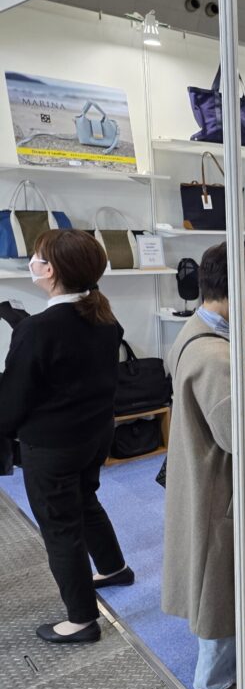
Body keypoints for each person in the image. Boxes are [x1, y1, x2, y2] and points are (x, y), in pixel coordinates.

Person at [0, 230, 131, 644]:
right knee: (85, 501)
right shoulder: (104, 318)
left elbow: (14, 398)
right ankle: (114, 568)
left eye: (37, 257)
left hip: (52, 445)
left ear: (52, 270)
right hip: (94, 434)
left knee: (60, 526)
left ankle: (81, 620)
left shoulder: (39, 329)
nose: (32, 263)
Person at [162, 243, 245, 689]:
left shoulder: (206, 330)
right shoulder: (215, 358)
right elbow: (241, 434)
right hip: (220, 485)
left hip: (211, 475)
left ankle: (238, 643)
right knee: (220, 579)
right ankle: (216, 678)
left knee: (232, 575)